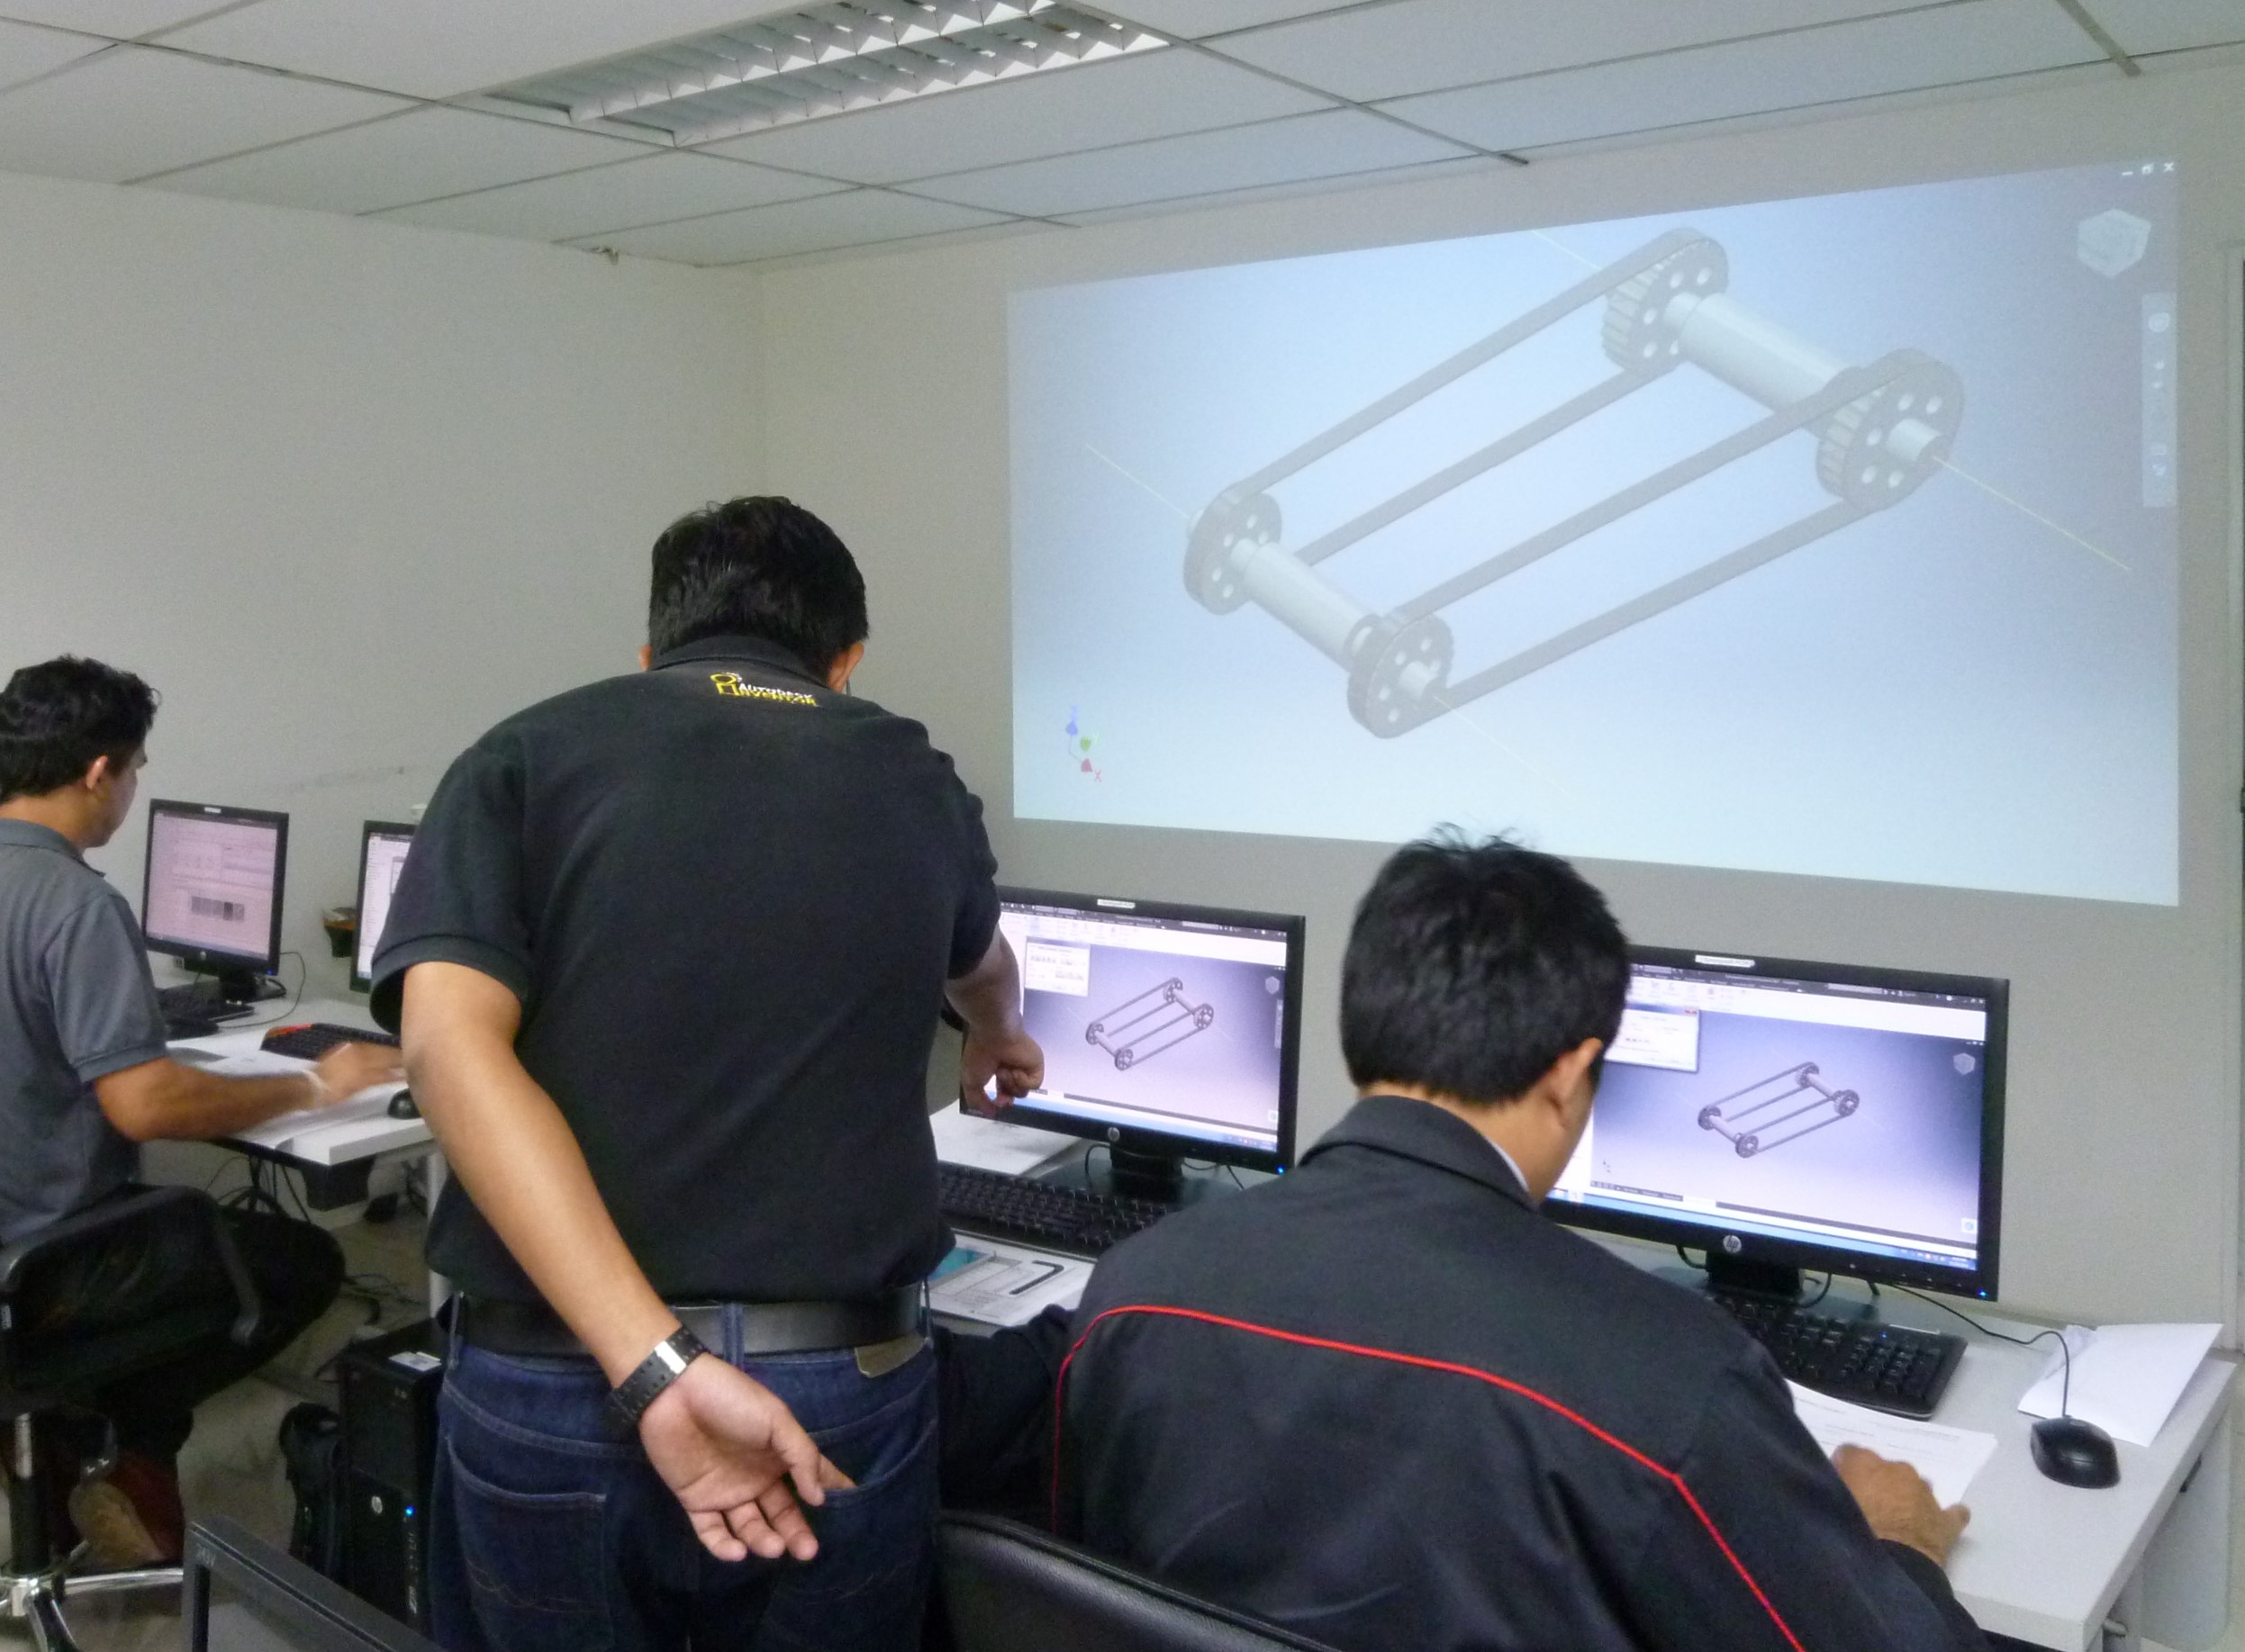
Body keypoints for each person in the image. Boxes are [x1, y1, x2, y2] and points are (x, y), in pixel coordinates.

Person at [371, 495, 1043, 1652]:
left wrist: (654, 1366)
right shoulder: (912, 771)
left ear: (651, 652)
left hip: (560, 1379)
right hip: (838, 1376)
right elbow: (983, 965)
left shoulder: (521, 754)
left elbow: (443, 1046)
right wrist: (998, 1032)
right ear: (845, 659)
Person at [1045, 832, 1987, 1652]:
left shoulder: (1134, 1285)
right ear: (1570, 1074)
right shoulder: (1671, 1377)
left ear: (1359, 1032)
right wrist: (1898, 1549)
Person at [0, 655, 400, 1568]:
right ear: (100, 771)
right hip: (45, 1266)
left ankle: (74, 1440)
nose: (131, 788)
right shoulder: (75, 902)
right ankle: (134, 1454)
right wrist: (314, 1084)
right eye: (136, 769)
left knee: (208, 1238)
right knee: (300, 1261)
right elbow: (145, 1105)